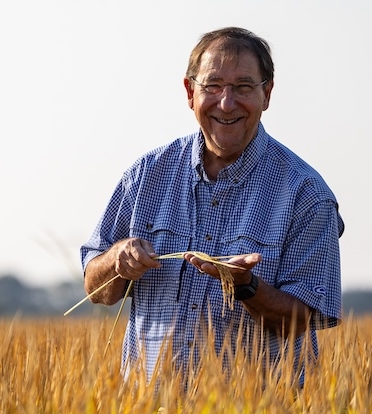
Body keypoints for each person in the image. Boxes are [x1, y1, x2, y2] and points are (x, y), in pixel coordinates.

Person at [80, 27, 344, 384]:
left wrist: (246, 286)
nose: (226, 102)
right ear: (191, 92)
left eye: (243, 87)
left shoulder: (306, 195)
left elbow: (302, 319)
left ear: (266, 94)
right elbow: (96, 289)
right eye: (213, 86)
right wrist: (117, 260)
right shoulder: (145, 176)